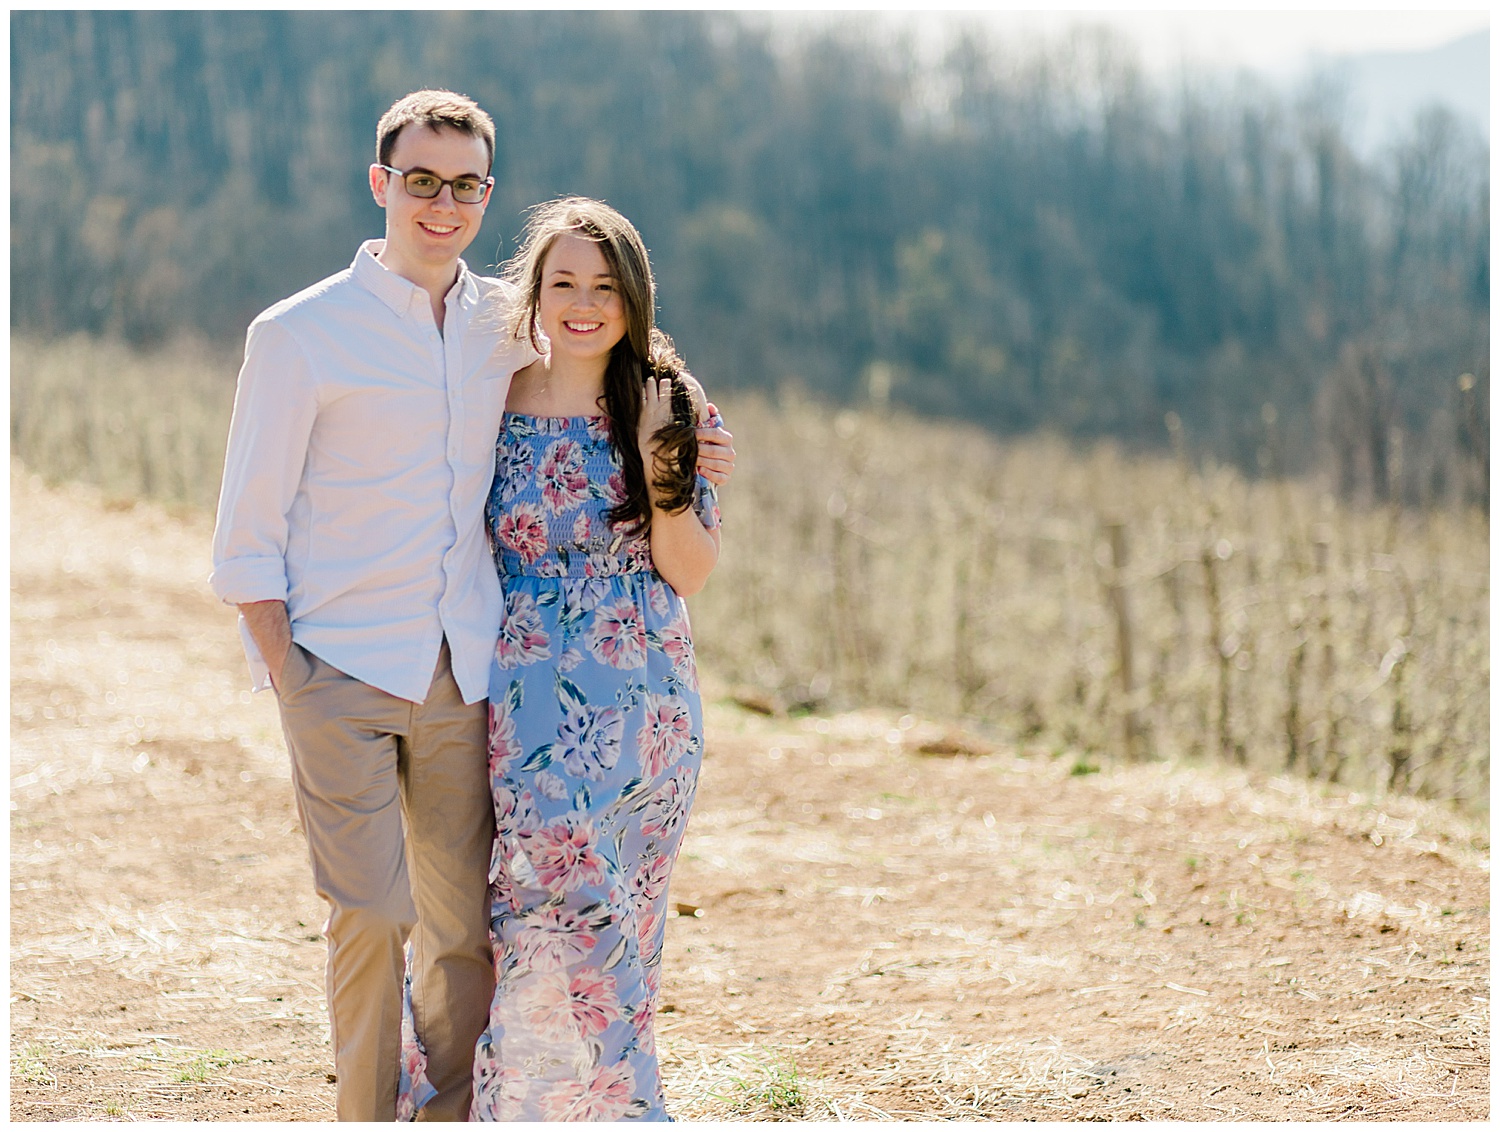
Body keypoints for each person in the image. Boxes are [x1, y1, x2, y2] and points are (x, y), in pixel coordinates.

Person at [210, 92, 734, 1122]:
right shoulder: (315, 335)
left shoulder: (553, 350)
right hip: (374, 671)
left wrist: (682, 451)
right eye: (420, 180)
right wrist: (289, 672)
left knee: (487, 928)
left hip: (516, 683)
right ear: (382, 185)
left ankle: (488, 1108)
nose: (441, 202)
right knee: (374, 912)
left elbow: (677, 524)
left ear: (485, 195)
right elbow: (245, 534)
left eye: (462, 185)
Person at [397, 198, 722, 1121]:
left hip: (643, 699)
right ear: (533, 291)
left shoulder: (664, 398)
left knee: (620, 912)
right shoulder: (489, 388)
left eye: (605, 287)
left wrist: (668, 476)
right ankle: (523, 1102)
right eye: (563, 282)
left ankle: (611, 1106)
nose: (584, 304)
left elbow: (691, 570)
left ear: (635, 298)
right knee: (539, 895)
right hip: (527, 689)